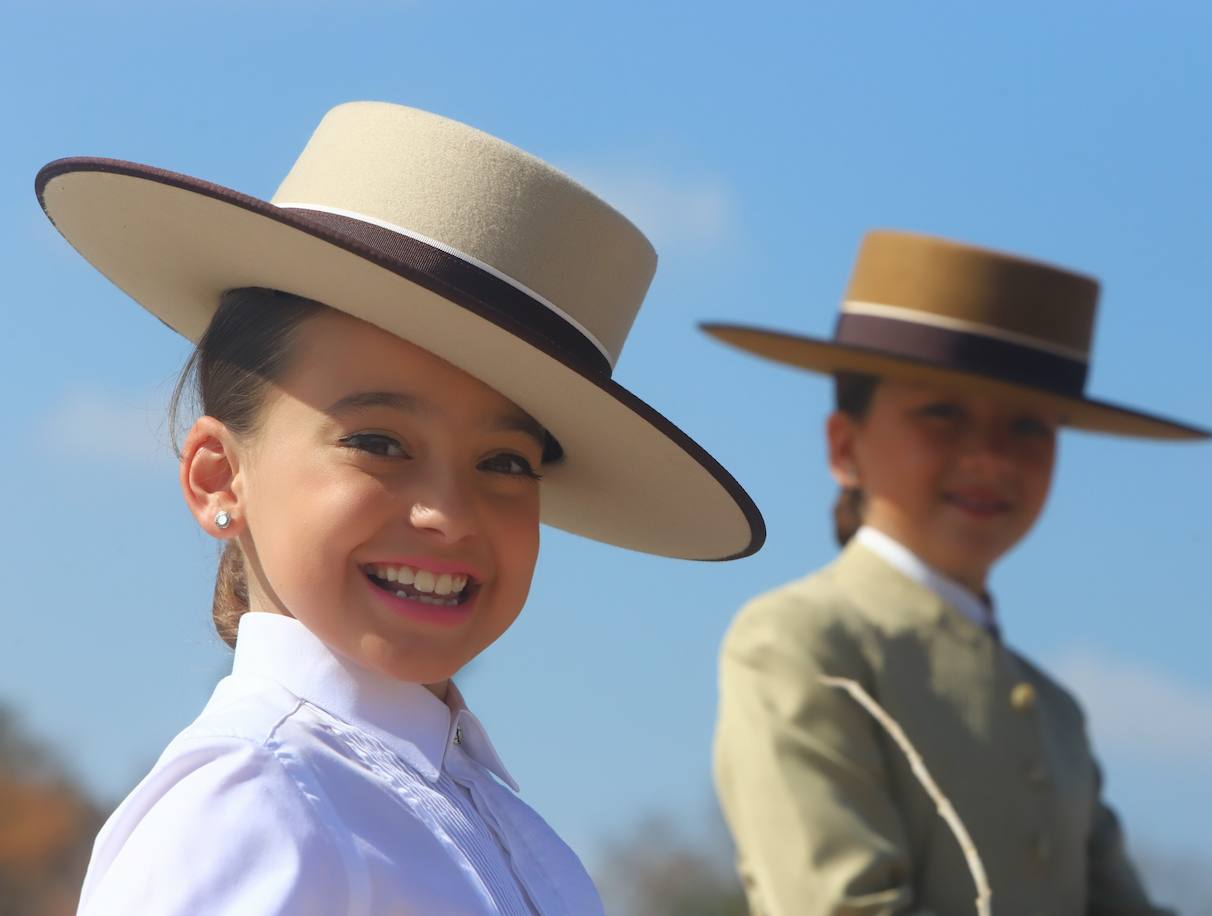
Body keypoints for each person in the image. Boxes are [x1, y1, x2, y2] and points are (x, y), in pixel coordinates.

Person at [36, 100, 764, 915]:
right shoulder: (254, 804)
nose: (447, 514)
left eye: (504, 462)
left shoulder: (491, 817)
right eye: (379, 444)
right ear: (217, 477)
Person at [703, 230, 1208, 916]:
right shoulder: (800, 641)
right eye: (942, 412)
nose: (992, 456)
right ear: (844, 446)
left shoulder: (1054, 711)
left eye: (1029, 426)